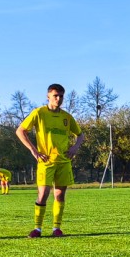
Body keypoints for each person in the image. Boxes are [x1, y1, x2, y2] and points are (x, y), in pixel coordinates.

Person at [17, 84, 83, 238]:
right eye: (55, 96)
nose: (58, 99)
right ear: (48, 96)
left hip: (63, 161)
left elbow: (80, 135)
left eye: (61, 96)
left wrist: (75, 147)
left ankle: (56, 228)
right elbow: (20, 131)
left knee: (59, 195)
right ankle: (37, 229)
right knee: (43, 194)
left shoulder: (67, 117)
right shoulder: (39, 113)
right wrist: (34, 150)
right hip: (46, 161)